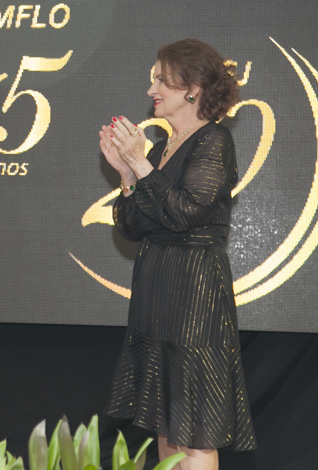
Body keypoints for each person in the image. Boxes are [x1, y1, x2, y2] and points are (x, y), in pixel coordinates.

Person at [100, 39, 256, 470]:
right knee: (166, 422)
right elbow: (132, 228)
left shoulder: (214, 141)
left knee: (195, 426)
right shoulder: (161, 150)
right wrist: (127, 173)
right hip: (156, 292)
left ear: (192, 88)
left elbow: (186, 212)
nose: (151, 89)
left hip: (194, 292)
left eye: (160, 80)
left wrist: (141, 165)